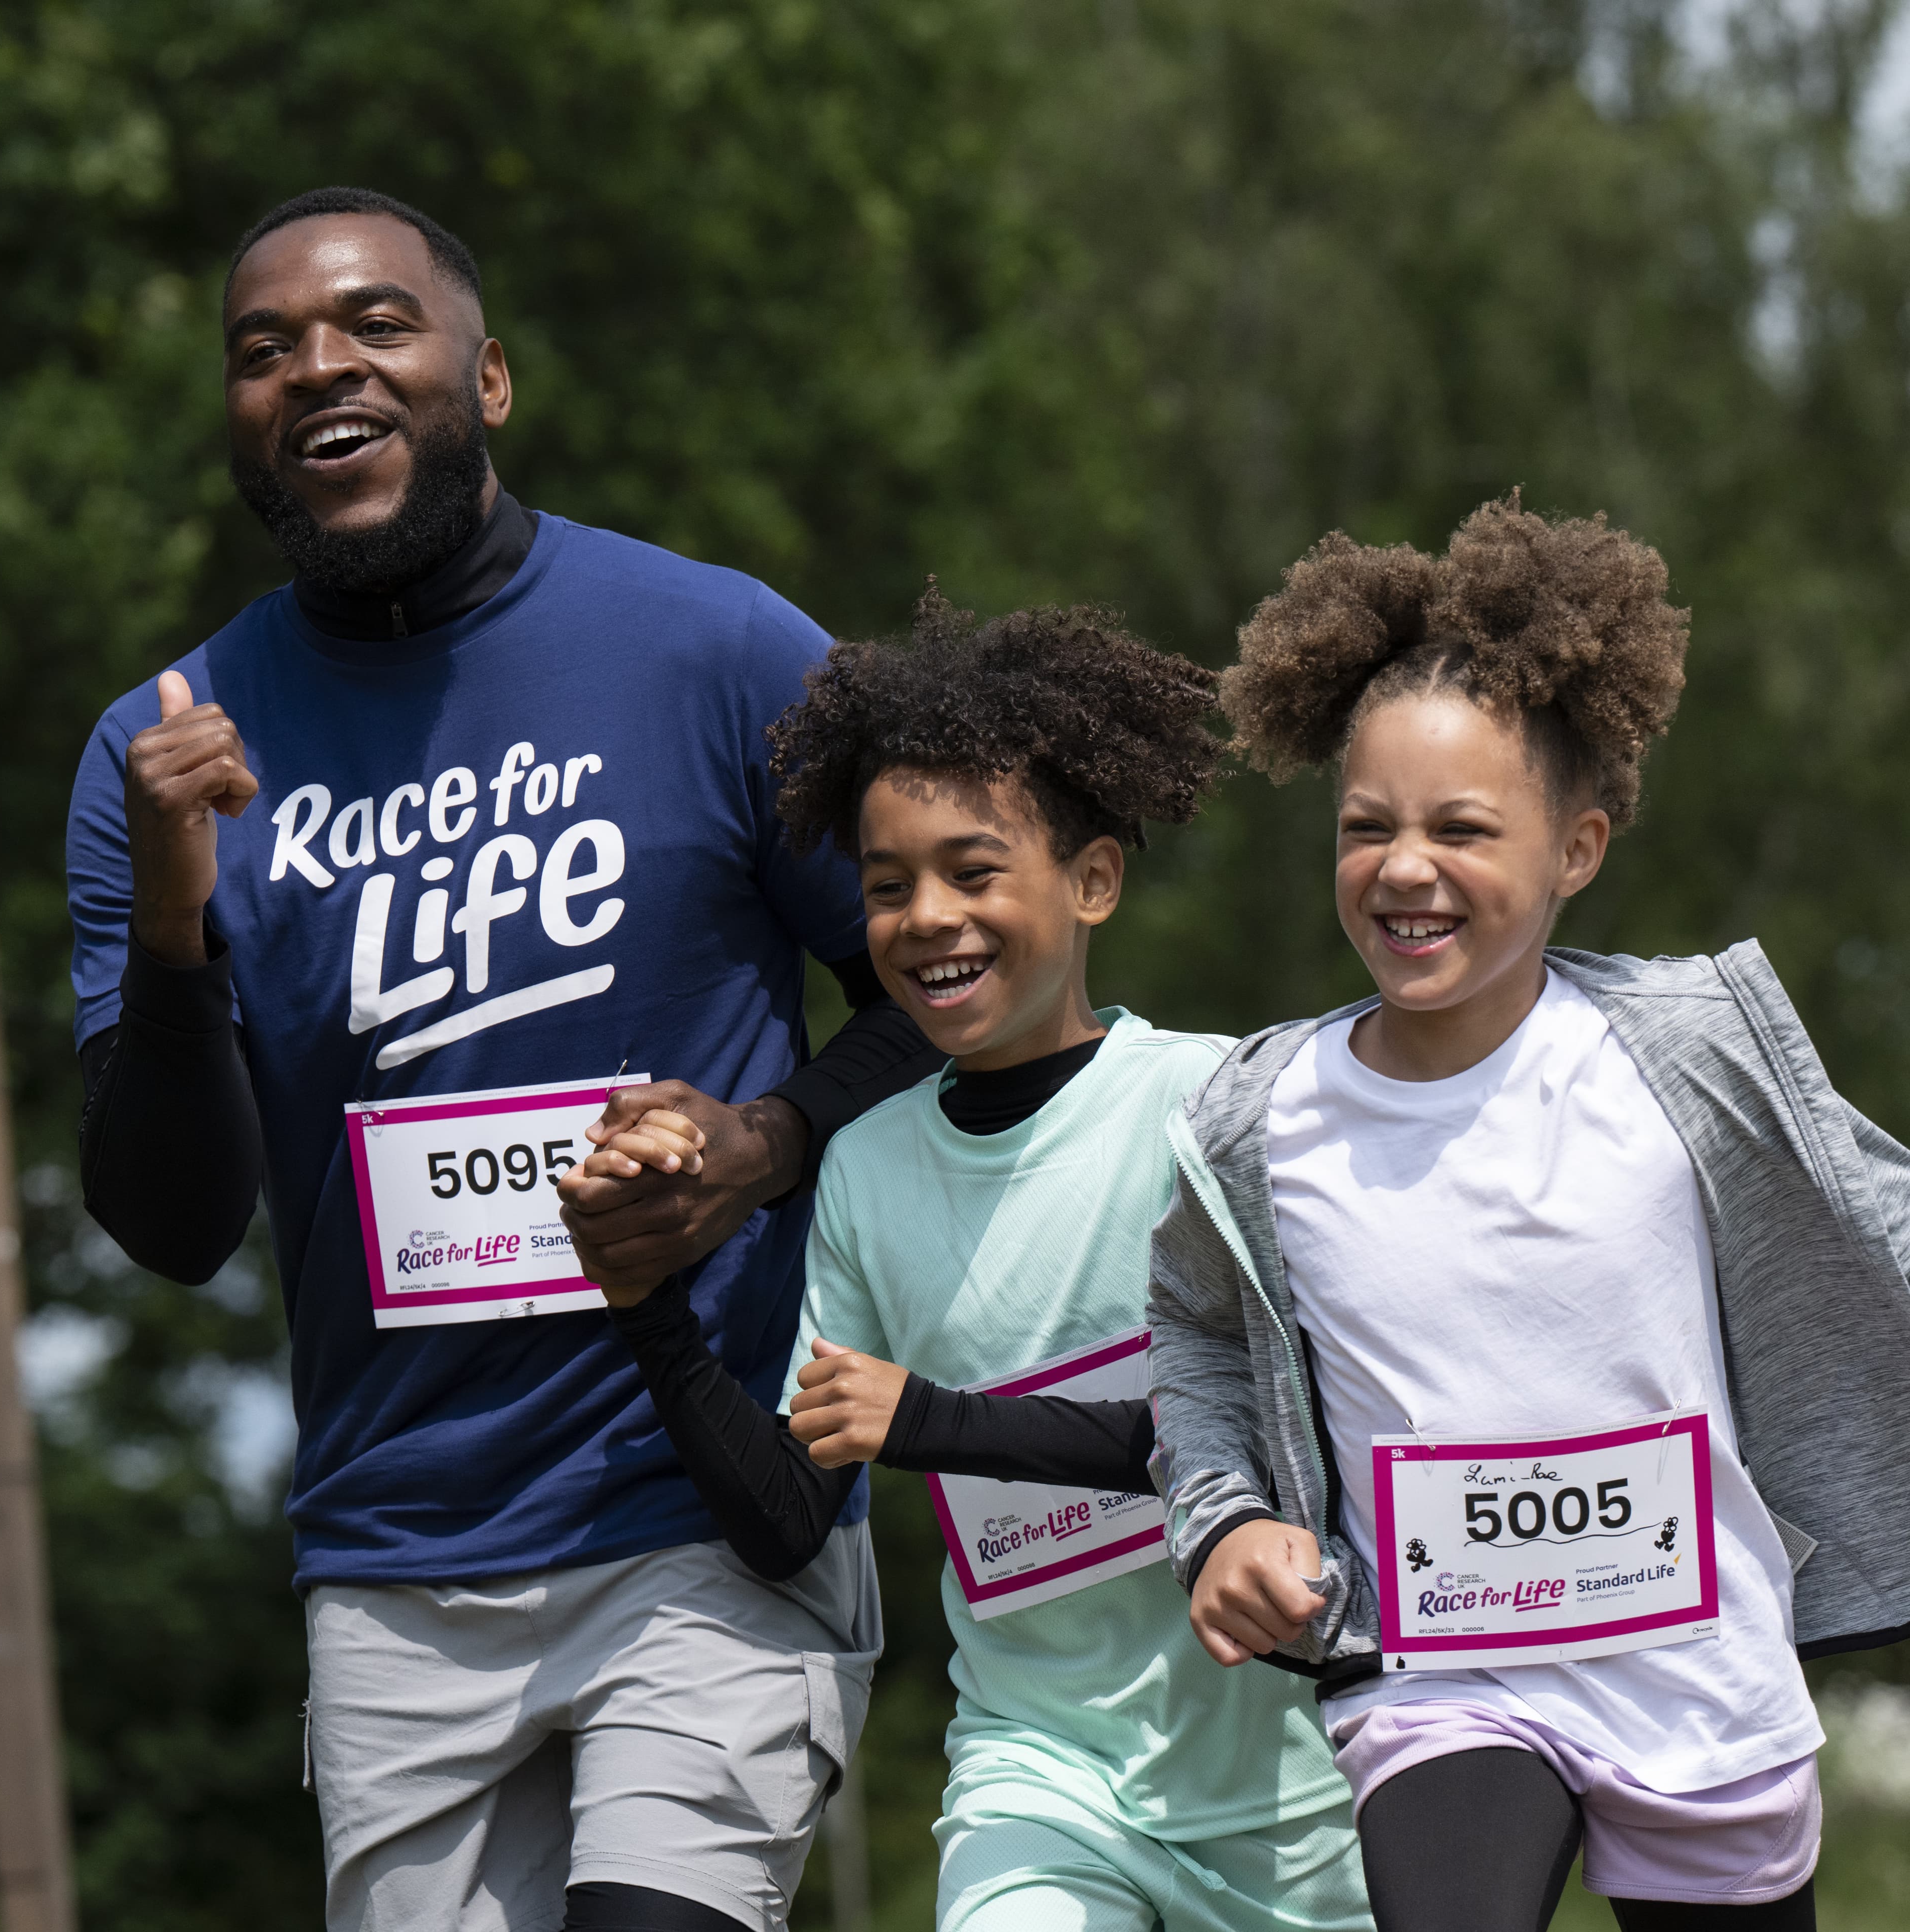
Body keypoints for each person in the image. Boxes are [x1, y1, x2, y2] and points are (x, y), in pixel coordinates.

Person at [65, 185, 941, 1932]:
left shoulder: (720, 649)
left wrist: (761, 1149)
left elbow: (950, 994)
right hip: (397, 1565)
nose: (323, 365)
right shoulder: (161, 752)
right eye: (264, 350)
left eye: (378, 324)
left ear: (493, 378)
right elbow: (172, 1224)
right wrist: (177, 933)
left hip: (705, 1508)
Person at [1145, 497, 1910, 1932]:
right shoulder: (1261, 1121)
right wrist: (1225, 1519)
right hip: (1446, 1684)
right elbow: (1188, 1334)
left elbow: (1881, 1224)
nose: (1406, 866)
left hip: (1701, 1687)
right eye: (1367, 827)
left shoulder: (1685, 1052)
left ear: (1579, 849)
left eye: (1464, 828)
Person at [573, 595, 1375, 1932]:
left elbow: (1290, 1440)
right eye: (888, 888)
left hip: (1296, 1795)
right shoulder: (868, 1170)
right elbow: (780, 1520)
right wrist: (647, 1298)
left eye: (974, 871)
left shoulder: (1218, 1108)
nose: (928, 918)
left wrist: (935, 1422)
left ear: (1094, 882)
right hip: (1039, 1786)